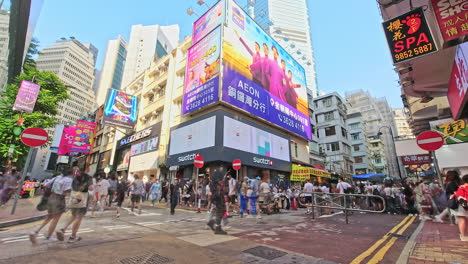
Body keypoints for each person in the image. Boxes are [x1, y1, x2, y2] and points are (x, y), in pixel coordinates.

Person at [29, 168, 74, 244]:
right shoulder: (69, 180)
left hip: (51, 197)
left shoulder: (57, 177)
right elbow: (66, 191)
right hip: (59, 199)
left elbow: (45, 185)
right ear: (70, 174)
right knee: (55, 219)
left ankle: (35, 232)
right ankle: (48, 236)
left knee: (49, 217)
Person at [56, 172, 93, 243]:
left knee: (73, 215)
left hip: (74, 196)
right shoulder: (88, 178)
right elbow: (91, 188)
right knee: (79, 218)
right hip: (83, 197)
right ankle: (73, 236)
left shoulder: (75, 178)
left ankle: (63, 229)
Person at [453, 174, 468, 241]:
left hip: (463, 206)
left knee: (462, 220)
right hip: (464, 206)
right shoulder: (463, 188)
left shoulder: (461, 188)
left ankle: (463, 235)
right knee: (464, 220)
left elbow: (460, 197)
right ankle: (463, 235)